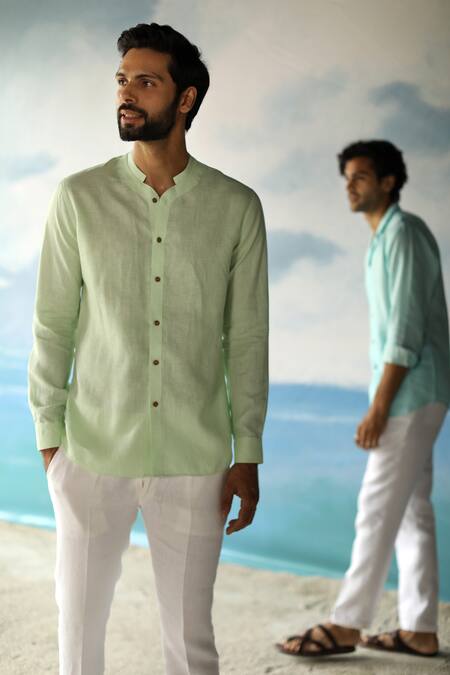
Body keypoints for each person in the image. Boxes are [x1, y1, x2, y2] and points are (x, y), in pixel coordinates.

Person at [28, 22, 268, 675]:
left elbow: (247, 336)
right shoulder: (78, 198)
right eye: (121, 80)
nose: (126, 94)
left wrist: (247, 451)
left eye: (145, 81)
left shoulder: (237, 207)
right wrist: (52, 444)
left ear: (185, 98)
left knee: (191, 643)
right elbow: (52, 324)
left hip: (195, 459)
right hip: (90, 451)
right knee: (78, 636)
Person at [278, 140, 450, 659]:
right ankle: (420, 629)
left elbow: (405, 332)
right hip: (417, 391)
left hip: (411, 392)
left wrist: (379, 407)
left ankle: (348, 623)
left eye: (360, 177)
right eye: (347, 178)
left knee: (376, 507)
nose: (350, 187)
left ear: (389, 182)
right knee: (412, 512)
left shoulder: (403, 234)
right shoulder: (382, 240)